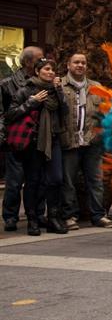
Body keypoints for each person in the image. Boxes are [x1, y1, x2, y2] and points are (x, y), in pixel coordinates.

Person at [6, 58, 68, 235]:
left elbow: (65, 112)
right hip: (32, 143)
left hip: (53, 140)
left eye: (53, 70)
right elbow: (10, 114)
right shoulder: (26, 90)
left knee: (56, 179)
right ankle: (33, 219)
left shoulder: (55, 90)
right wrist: (31, 102)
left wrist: (60, 91)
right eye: (47, 69)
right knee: (33, 181)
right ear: (37, 71)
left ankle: (53, 217)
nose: (50, 72)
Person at [61, 53, 112, 229]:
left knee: (96, 180)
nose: (80, 65)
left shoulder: (96, 87)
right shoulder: (60, 85)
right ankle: (69, 216)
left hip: (93, 141)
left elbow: (105, 112)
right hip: (69, 141)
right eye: (76, 62)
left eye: (83, 63)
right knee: (67, 181)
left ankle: (99, 216)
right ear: (68, 65)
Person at [2, 46, 43, 232]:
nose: (43, 63)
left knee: (35, 180)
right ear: (28, 62)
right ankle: (10, 216)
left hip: (36, 139)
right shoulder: (7, 84)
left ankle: (35, 214)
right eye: (39, 59)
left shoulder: (43, 81)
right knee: (14, 181)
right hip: (16, 139)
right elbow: (5, 114)